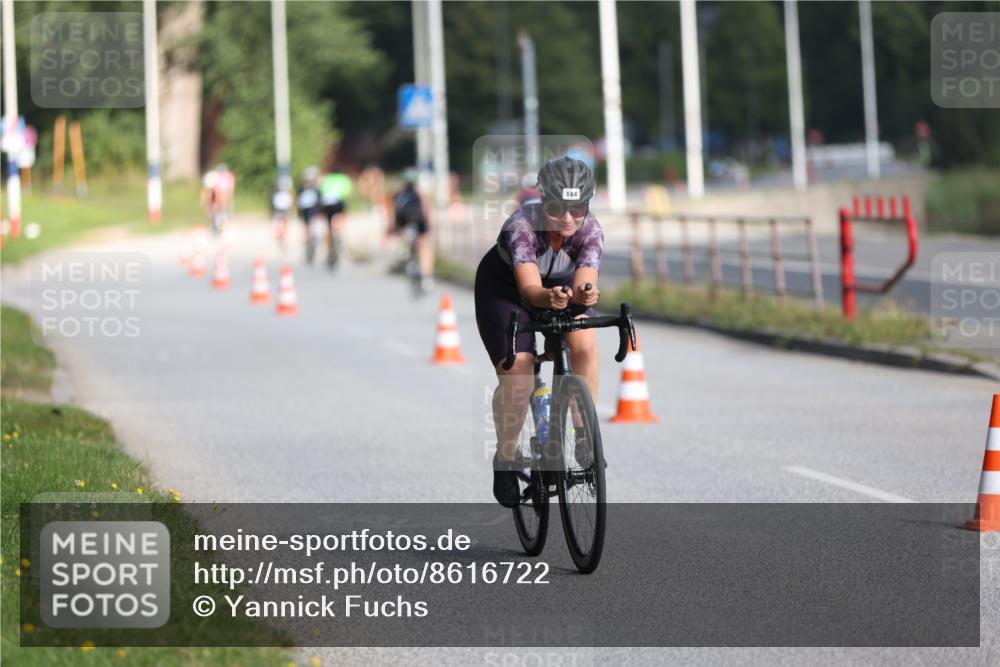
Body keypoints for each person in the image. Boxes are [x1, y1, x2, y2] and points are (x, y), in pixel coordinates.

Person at [473, 156, 603, 507]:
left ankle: (582, 434)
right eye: (558, 207)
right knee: (519, 378)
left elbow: (586, 282)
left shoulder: (590, 230)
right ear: (543, 199)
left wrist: (585, 293)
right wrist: (549, 298)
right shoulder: (521, 227)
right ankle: (506, 457)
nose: (567, 218)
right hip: (507, 291)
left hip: (558, 289)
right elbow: (531, 290)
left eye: (577, 208)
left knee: (585, 340)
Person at [391, 168, 434, 291]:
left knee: (403, 234)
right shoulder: (421, 191)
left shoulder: (399, 191)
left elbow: (395, 211)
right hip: (419, 219)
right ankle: (427, 277)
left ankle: (403, 249)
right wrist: (427, 225)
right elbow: (426, 210)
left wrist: (395, 228)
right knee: (425, 245)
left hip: (404, 219)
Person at [318, 170, 353, 269]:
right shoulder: (344, 178)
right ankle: (340, 236)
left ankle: (329, 245)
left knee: (328, 227)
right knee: (341, 220)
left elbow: (321, 192)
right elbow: (347, 194)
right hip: (338, 203)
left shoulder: (327, 179)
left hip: (326, 204)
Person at [297, 167, 323, 264]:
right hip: (312, 211)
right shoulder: (316, 188)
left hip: (307, 211)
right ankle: (309, 243)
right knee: (311, 228)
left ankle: (309, 242)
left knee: (308, 228)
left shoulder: (302, 188)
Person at [201, 164, 236, 235]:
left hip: (222, 195)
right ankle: (218, 223)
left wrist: (222, 204)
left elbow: (224, 194)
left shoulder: (223, 179)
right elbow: (206, 197)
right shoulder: (214, 181)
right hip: (218, 195)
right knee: (215, 210)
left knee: (224, 210)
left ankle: (226, 224)